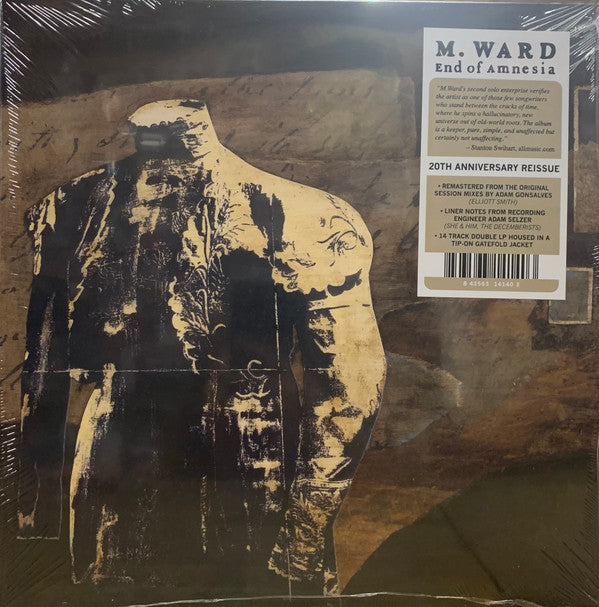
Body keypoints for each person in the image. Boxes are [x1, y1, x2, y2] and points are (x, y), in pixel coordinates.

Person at [17, 99, 386, 596]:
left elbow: (350, 384)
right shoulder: (68, 207)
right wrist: (36, 521)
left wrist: (305, 527)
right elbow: (43, 376)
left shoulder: (307, 217)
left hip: (254, 475)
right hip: (117, 484)